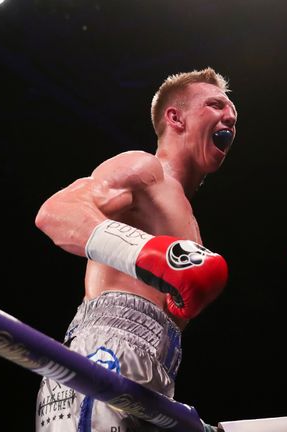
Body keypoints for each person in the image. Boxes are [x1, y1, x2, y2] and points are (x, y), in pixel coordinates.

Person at [33, 67, 237, 431]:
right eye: (215, 105)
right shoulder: (146, 169)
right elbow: (56, 212)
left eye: (232, 112)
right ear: (175, 117)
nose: (230, 117)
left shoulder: (190, 223)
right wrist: (147, 253)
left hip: (158, 368)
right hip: (107, 350)